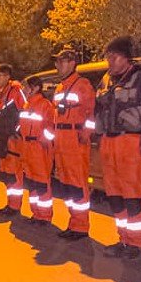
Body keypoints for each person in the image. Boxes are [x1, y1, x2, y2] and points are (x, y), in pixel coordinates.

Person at [94, 36, 141, 260]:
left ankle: (136, 242)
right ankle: (122, 238)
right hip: (108, 141)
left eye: (114, 56)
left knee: (132, 194)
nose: (110, 61)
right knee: (114, 194)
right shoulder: (106, 80)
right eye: (108, 56)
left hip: (131, 141)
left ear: (127, 58)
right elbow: (98, 110)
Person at [52, 45, 96, 240]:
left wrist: (86, 132)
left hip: (75, 139)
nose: (58, 65)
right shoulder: (60, 87)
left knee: (77, 184)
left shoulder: (82, 85)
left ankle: (80, 226)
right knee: (67, 184)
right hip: (62, 139)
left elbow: (92, 113)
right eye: (57, 62)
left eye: (61, 61)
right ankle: (73, 222)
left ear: (72, 63)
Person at [18, 75, 56, 224]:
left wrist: (44, 140)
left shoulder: (45, 105)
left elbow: (51, 127)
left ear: (35, 88)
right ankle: (36, 214)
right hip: (27, 148)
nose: (24, 90)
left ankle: (45, 216)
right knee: (32, 183)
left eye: (26, 87)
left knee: (41, 183)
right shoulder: (27, 105)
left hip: (39, 149)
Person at [0, 63, 27, 215]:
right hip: (3, 137)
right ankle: (10, 204)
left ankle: (14, 206)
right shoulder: (2, 93)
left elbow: (25, 111)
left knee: (14, 174)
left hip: (12, 139)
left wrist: (17, 132)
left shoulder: (16, 90)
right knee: (6, 173)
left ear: (7, 76)